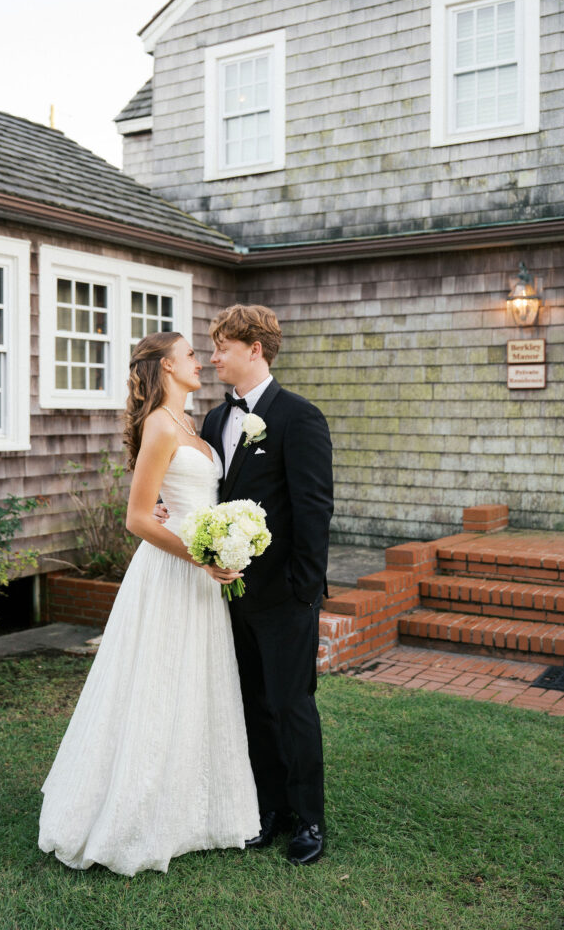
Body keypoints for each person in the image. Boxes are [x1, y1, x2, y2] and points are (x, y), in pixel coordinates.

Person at [38, 331, 260, 876]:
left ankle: (194, 810)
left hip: (200, 572)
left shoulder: (193, 423)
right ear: (165, 367)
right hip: (172, 571)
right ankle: (134, 813)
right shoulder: (160, 425)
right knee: (157, 682)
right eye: (189, 355)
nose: (200, 362)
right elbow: (137, 518)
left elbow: (181, 499)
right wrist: (201, 555)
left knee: (195, 682)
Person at [201, 304, 334, 866]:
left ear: (254, 349)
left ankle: (309, 819)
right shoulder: (213, 420)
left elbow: (313, 508)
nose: (213, 358)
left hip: (284, 595)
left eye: (222, 348)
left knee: (290, 704)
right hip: (228, 597)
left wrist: (304, 591)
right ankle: (270, 807)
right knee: (251, 704)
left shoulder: (299, 417)